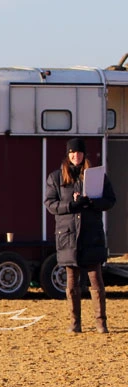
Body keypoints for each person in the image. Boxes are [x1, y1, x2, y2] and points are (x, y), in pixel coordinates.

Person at [44, 138, 116, 333]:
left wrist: (91, 202)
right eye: (72, 153)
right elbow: (50, 204)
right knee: (72, 282)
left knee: (96, 281)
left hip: (91, 235)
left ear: (84, 154)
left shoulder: (97, 176)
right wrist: (70, 206)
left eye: (79, 152)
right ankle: (75, 323)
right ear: (68, 155)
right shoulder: (56, 177)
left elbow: (110, 200)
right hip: (68, 236)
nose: (76, 156)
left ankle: (101, 323)